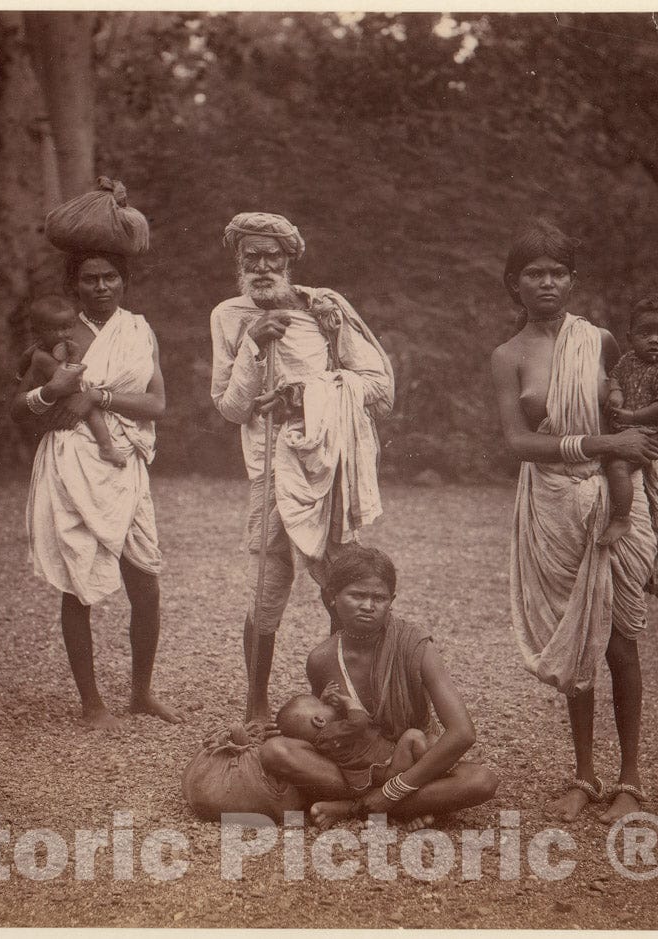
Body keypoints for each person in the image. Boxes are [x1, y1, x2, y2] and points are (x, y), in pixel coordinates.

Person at [490, 218, 658, 822]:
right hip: (554, 501)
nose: (546, 283)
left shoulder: (601, 342)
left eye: (557, 272)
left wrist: (627, 448)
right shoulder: (508, 355)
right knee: (577, 637)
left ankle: (630, 778)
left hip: (616, 498)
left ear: (572, 280)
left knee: (621, 638)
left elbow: (633, 415)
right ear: (514, 283)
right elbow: (517, 441)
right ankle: (584, 774)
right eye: (533, 273)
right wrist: (599, 446)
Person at [210, 212, 395, 724]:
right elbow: (228, 407)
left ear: (290, 260)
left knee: (336, 582)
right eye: (252, 257)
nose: (263, 266)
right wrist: (253, 344)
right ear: (239, 262)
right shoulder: (228, 315)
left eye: (273, 256)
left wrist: (306, 396)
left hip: (328, 466)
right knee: (269, 583)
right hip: (269, 468)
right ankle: (255, 705)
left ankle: (348, 697)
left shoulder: (325, 309)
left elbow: (379, 388)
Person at [13, 250, 181, 730]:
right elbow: (15, 408)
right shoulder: (58, 336)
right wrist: (50, 393)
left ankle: (141, 692)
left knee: (145, 582)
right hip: (74, 463)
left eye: (111, 277)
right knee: (78, 583)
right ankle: (92, 704)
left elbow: (157, 403)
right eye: (90, 279)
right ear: (76, 284)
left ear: (124, 281)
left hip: (123, 462)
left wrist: (99, 396)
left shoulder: (137, 330)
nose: (102, 286)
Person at [258, 546, 499, 826]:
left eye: (379, 598)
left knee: (481, 780)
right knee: (275, 751)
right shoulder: (322, 659)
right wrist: (292, 729)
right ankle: (406, 807)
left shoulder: (415, 646)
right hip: (359, 767)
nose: (368, 606)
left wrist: (394, 791)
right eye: (357, 595)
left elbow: (463, 733)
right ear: (331, 597)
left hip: (410, 758)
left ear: (391, 601)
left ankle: (354, 808)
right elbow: (331, 733)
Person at [598, 294, 658, 546]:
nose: (654, 340)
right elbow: (614, 375)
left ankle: (622, 518)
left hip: (649, 431)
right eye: (645, 333)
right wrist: (615, 391)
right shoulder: (628, 360)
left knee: (617, 467)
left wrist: (632, 415)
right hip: (625, 425)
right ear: (630, 338)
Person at [19, 299, 126, 468]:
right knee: (92, 410)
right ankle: (106, 447)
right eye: (54, 329)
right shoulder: (42, 356)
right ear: (38, 331)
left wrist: (19, 375)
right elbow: (70, 380)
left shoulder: (43, 347)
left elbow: (25, 357)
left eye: (67, 327)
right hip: (60, 399)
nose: (63, 334)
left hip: (59, 396)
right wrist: (75, 356)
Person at [275, 683, 429, 794]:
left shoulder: (324, 743)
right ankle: (430, 780)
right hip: (389, 769)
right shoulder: (332, 732)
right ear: (319, 721)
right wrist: (348, 701)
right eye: (324, 704)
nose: (332, 705)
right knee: (413, 737)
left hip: (379, 773)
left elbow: (336, 721)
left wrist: (322, 702)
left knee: (428, 742)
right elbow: (359, 722)